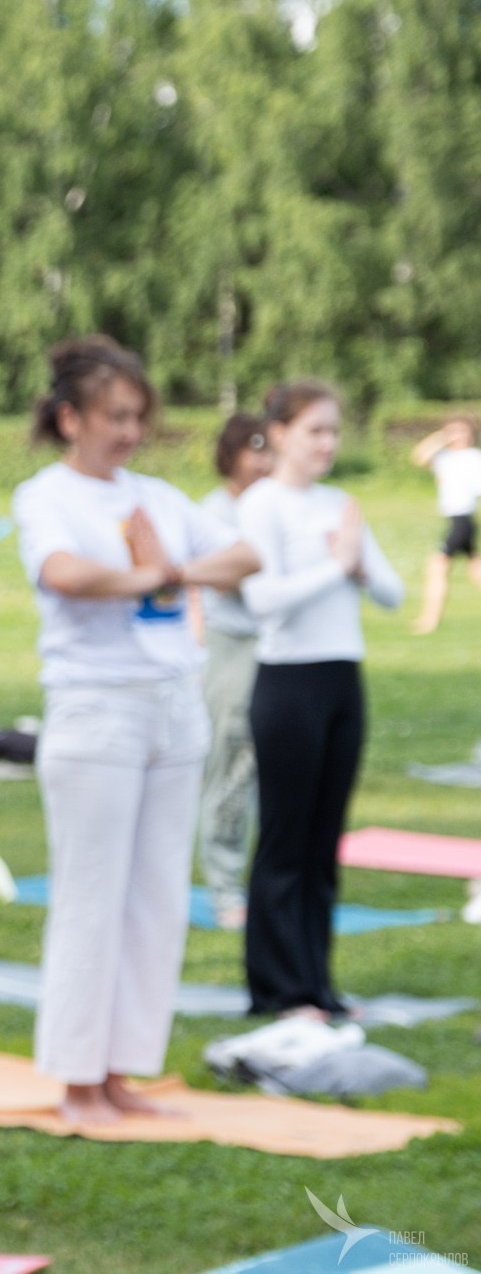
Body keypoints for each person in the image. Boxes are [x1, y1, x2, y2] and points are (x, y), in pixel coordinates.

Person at [11, 336, 258, 1127]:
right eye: (115, 416)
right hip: (95, 709)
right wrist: (151, 575)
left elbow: (244, 555)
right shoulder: (46, 495)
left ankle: (121, 1070)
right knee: (91, 896)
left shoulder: (153, 494)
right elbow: (63, 574)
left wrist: (174, 570)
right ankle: (77, 1081)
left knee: (155, 898)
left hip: (171, 704)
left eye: (137, 417)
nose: (128, 431)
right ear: (70, 416)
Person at [239, 381, 403, 1018]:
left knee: (323, 841)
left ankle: (318, 983)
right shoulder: (263, 505)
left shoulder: (340, 503)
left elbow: (391, 592)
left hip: (341, 678)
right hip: (288, 683)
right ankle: (278, 988)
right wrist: (336, 567)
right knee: (285, 836)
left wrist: (356, 564)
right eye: (315, 430)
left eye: (334, 430)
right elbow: (261, 599)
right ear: (279, 434)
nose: (328, 443)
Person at [192, 414, 273, 930]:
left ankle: (273, 885)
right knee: (232, 759)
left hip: (284, 644)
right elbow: (228, 580)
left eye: (270, 451)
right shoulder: (213, 513)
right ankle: (225, 888)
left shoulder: (280, 505)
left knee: (282, 765)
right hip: (231, 645)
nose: (264, 462)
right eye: (254, 451)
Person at [408, 418, 481, 634]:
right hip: (455, 519)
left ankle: (429, 620)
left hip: (463, 520)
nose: (457, 435)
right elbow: (418, 457)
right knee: (476, 569)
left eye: (461, 431)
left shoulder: (474, 457)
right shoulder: (444, 457)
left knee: (436, 566)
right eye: (453, 431)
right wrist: (441, 437)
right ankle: (429, 619)